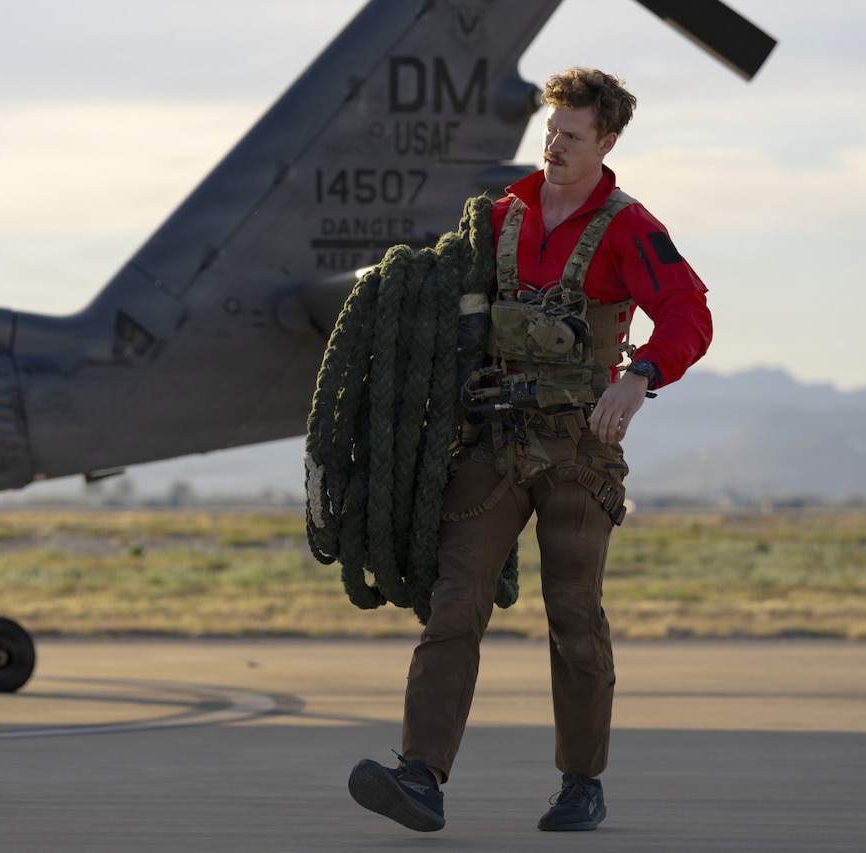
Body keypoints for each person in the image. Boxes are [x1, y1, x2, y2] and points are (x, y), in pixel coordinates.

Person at [347, 68, 713, 833]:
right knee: (455, 605)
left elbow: (688, 311)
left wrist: (639, 377)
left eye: (571, 136)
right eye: (550, 131)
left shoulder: (628, 225)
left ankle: (582, 781)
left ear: (607, 142)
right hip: (491, 442)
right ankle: (420, 776)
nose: (554, 146)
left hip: (580, 447)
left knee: (574, 615)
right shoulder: (498, 215)